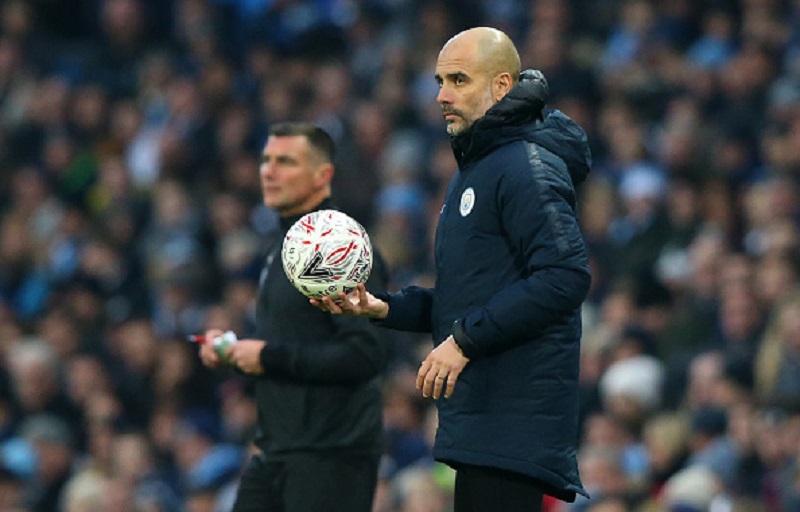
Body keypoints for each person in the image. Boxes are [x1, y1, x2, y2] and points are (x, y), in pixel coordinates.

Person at [315, 27, 592, 511]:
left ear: (502, 86)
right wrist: (384, 307)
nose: (442, 95)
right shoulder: (478, 167)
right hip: (484, 418)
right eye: (440, 81)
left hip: (512, 421)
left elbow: (564, 275)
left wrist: (464, 341)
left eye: (459, 80)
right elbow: (468, 298)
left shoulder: (525, 166)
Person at [198, 122, 390, 512]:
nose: (268, 171)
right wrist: (235, 352)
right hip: (280, 448)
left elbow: (364, 354)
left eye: (285, 162)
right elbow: (297, 339)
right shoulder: (284, 245)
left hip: (331, 454)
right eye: (266, 160)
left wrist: (268, 357)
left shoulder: (338, 245)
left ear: (324, 175)